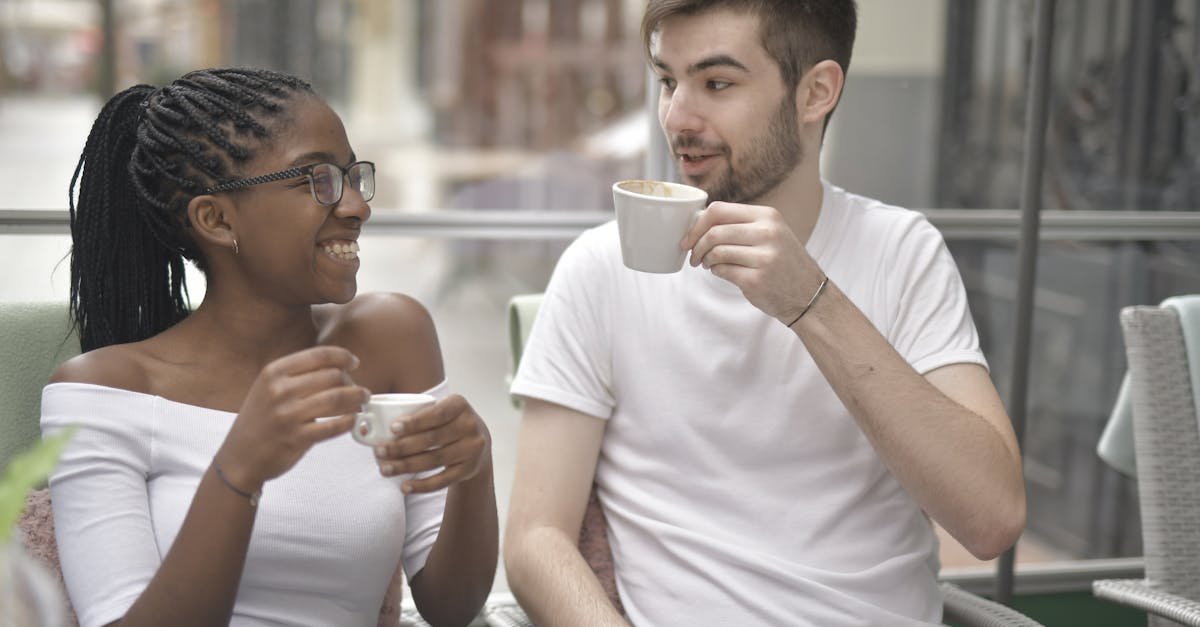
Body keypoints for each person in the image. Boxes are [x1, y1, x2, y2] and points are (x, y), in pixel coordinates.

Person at [504, 1, 1025, 625]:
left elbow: (991, 519)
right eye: (669, 80)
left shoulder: (901, 251)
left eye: (716, 84)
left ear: (816, 92)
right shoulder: (601, 266)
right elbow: (537, 539)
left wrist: (811, 302)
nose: (677, 116)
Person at [41, 67, 497, 627]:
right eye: (318, 181)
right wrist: (239, 469)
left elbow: (450, 608)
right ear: (215, 218)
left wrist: (474, 471)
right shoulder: (104, 391)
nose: (357, 206)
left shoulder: (391, 337)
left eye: (352, 176)